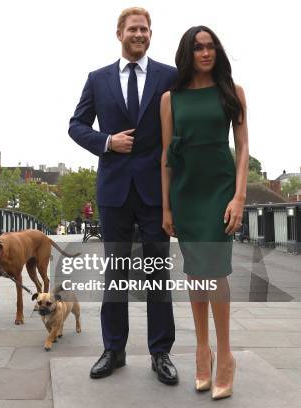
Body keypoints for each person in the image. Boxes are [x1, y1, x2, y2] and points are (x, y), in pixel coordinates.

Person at [69, 7, 178, 384]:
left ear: (151, 34)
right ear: (119, 33)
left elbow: (182, 126)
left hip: (156, 190)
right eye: (133, 28)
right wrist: (106, 142)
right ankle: (113, 350)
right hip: (114, 189)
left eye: (145, 29)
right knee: (115, 273)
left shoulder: (170, 76)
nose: (140, 34)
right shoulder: (97, 79)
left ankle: (160, 352)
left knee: (157, 274)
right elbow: (76, 125)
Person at [161, 26, 248, 400]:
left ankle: (225, 355)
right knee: (196, 272)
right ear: (188, 53)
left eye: (211, 46)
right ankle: (201, 350)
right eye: (198, 47)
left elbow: (243, 148)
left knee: (215, 270)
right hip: (186, 191)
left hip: (219, 190)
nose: (206, 53)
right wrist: (166, 205)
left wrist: (239, 197)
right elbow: (166, 156)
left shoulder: (233, 92)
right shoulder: (170, 98)